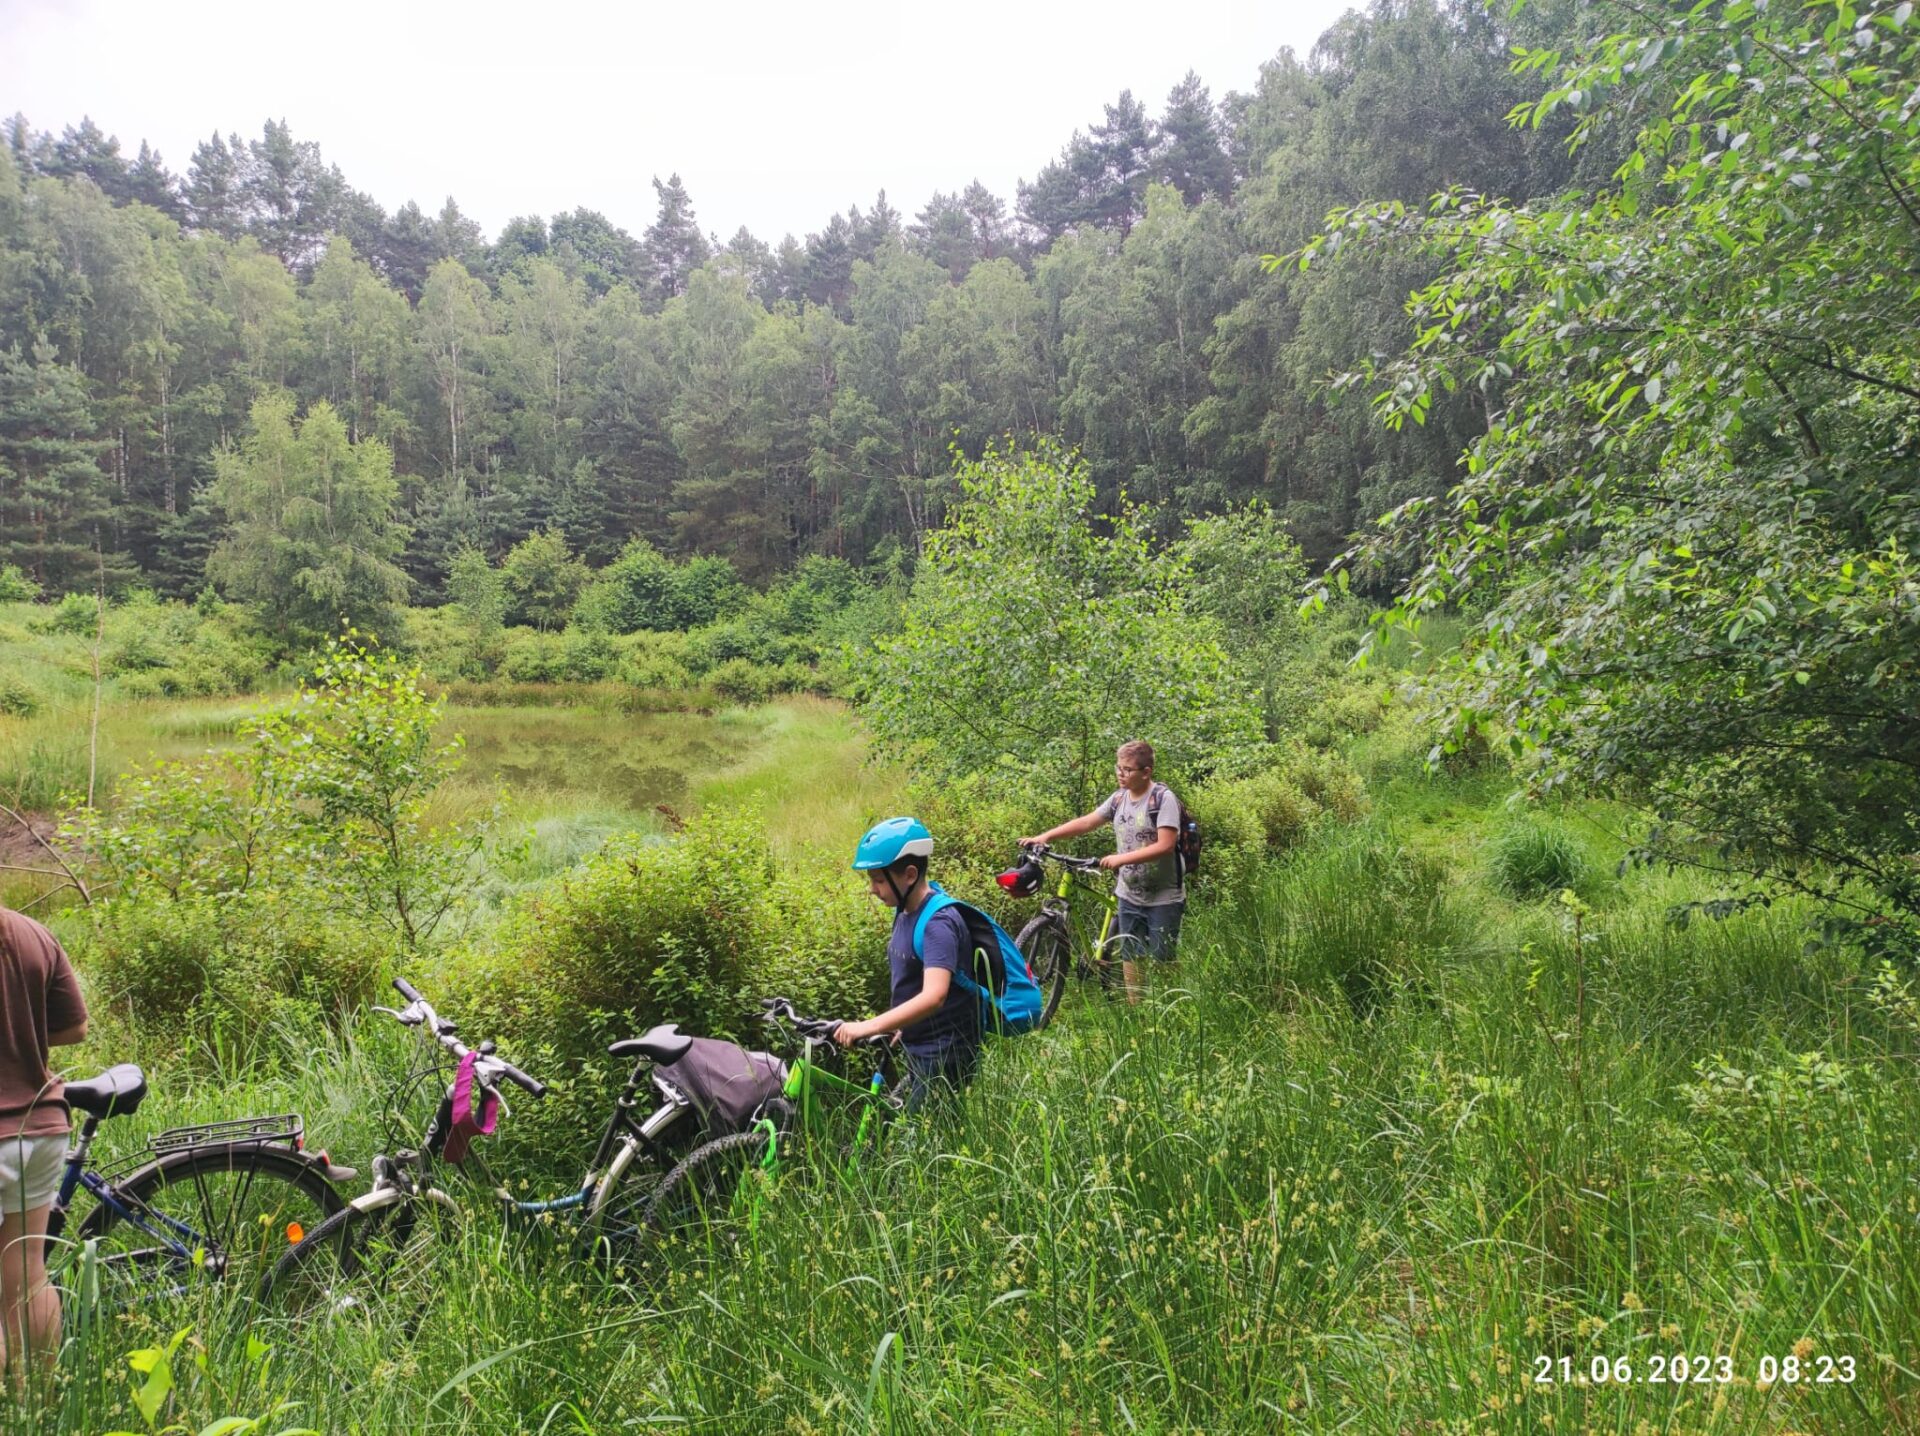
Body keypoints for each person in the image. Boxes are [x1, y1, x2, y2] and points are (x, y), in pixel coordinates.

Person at [834, 817, 982, 1111]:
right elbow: (914, 977)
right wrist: (901, 1024)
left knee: (927, 1133)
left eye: (879, 880)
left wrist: (868, 1026)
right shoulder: (905, 911)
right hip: (920, 1042)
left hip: (944, 1052)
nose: (872, 889)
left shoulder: (938, 924)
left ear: (910, 875)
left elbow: (934, 996)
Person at [1020, 740, 1186, 1002]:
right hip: (1129, 892)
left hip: (1164, 895)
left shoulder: (1163, 799)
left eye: (1127, 769)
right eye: (1118, 767)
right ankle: (1137, 1010)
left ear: (1146, 772)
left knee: (1163, 957)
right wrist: (1046, 836)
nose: (1121, 774)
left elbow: (1166, 845)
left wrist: (1121, 859)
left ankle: (1173, 1006)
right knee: (1131, 955)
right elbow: (1087, 822)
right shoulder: (1119, 798)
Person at [0, 905, 88, 1379]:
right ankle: (34, 1402)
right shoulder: (31, 932)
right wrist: (24, 1033)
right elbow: (75, 1026)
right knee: (27, 1272)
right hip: (41, 1127)